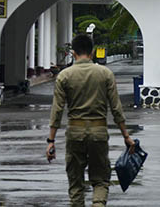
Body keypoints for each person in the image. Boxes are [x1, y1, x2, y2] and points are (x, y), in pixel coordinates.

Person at [47, 33, 135, 206]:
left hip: (75, 132)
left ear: (73, 53)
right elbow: (116, 107)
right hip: (99, 132)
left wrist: (51, 140)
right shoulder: (105, 74)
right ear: (92, 52)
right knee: (101, 180)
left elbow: (57, 110)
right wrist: (126, 135)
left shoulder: (64, 76)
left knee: (75, 183)